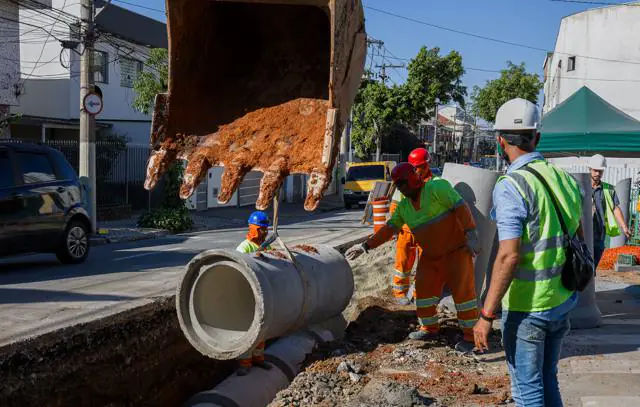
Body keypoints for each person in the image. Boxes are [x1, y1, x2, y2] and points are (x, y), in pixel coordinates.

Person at [473, 98, 583, 407]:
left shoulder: (512, 186)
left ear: (500, 140)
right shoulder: (563, 179)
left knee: (527, 391)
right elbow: (578, 237)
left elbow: (509, 256)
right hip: (561, 300)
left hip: (527, 308)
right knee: (548, 379)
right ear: (536, 137)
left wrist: (486, 314)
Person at [346, 162, 480, 351]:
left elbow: (460, 206)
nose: (399, 188)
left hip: (456, 253)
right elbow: (388, 230)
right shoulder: (404, 208)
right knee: (423, 294)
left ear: (412, 179)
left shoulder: (437, 188)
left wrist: (471, 233)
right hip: (430, 257)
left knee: (464, 296)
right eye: (397, 185)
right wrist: (365, 246)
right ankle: (429, 328)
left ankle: (472, 337)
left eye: (401, 184)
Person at [390, 148, 433, 305]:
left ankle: (418, 293)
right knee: (402, 264)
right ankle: (399, 292)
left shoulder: (434, 183)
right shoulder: (405, 180)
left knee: (424, 266)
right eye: (414, 167)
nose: (416, 170)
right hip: (407, 231)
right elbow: (394, 206)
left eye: (419, 167)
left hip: (425, 232)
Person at [235, 211, 272, 375]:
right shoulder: (244, 247)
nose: (264, 232)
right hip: (247, 294)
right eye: (261, 229)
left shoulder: (266, 245)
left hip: (262, 294)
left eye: (266, 229)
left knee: (262, 329)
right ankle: (244, 363)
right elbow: (240, 267)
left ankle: (258, 359)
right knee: (249, 329)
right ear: (253, 228)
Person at [589, 154, 631, 267]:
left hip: (599, 233)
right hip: (583, 232)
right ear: (590, 169)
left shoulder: (608, 189)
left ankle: (590, 281)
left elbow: (615, 208)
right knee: (583, 264)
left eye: (600, 171)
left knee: (594, 264)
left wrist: (624, 226)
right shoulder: (580, 186)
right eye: (595, 170)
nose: (598, 173)